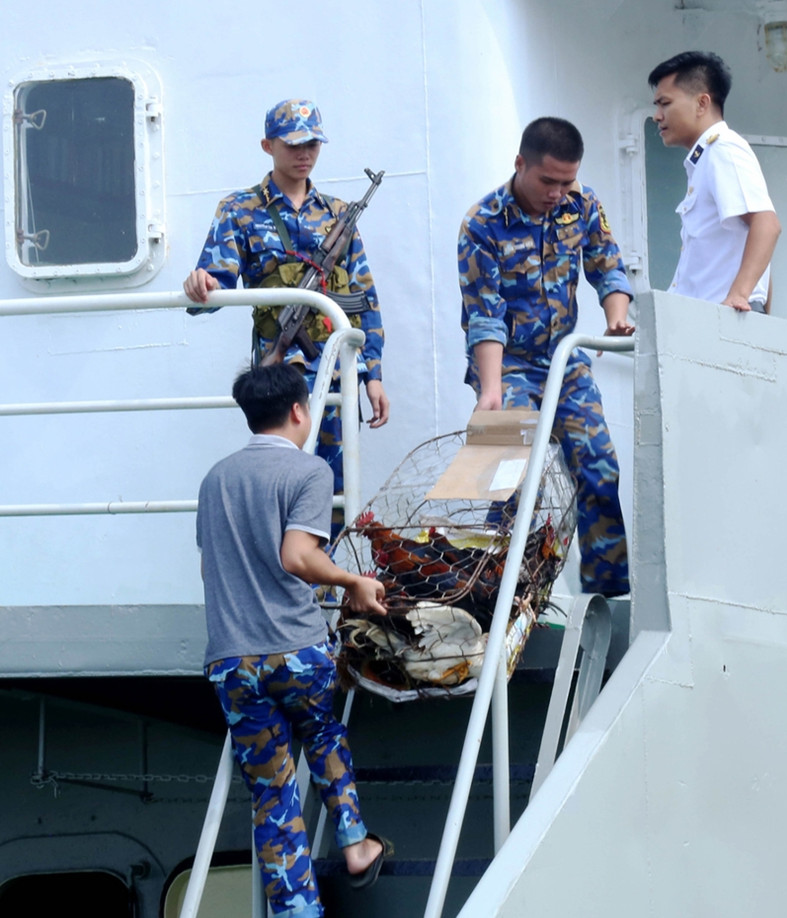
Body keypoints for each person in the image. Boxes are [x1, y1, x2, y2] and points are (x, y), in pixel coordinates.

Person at [196, 363, 393, 917]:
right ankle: (355, 845)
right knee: (323, 734)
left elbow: (210, 568)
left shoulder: (215, 479)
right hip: (295, 651)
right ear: (300, 411)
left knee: (272, 795)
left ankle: (297, 911)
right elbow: (297, 556)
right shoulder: (309, 471)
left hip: (233, 659)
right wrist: (352, 581)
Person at [184, 98, 390, 526]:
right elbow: (214, 287)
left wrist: (373, 374)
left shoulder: (337, 215)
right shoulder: (239, 210)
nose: (304, 154)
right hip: (281, 375)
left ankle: (321, 567)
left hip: (337, 372)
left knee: (334, 488)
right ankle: (282, 563)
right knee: (281, 482)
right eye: (293, 144)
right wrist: (201, 286)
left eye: (312, 144)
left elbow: (364, 297)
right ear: (268, 145)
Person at [458, 116, 634, 598]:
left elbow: (608, 267)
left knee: (600, 468)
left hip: (564, 359)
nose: (557, 193)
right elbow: (484, 315)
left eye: (566, 181)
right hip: (506, 363)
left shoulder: (582, 203)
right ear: (520, 164)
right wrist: (490, 392)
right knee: (510, 477)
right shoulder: (482, 223)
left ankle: (608, 596)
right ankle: (498, 594)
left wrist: (617, 318)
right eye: (548, 181)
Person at [649, 51, 781, 314]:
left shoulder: (723, 149)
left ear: (702, 103)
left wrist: (739, 295)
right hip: (708, 319)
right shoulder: (705, 157)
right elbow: (754, 244)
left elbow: (766, 224)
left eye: (665, 103)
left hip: (723, 319)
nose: (657, 116)